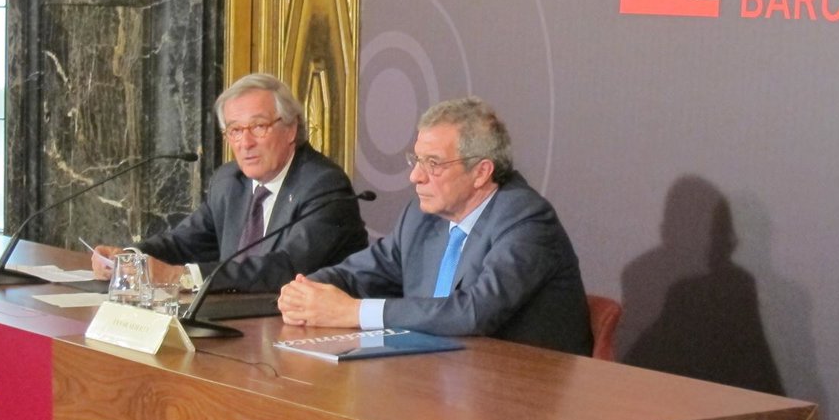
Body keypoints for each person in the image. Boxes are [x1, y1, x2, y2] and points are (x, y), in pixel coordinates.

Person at [278, 96, 592, 354]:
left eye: (433, 163)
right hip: (435, 377)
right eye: (417, 160)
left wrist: (354, 312)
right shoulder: (421, 216)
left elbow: (474, 312)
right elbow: (359, 273)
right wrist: (306, 292)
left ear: (481, 172)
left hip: (521, 388)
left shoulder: (526, 220)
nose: (415, 176)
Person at [92, 73, 368, 293]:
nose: (245, 143)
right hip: (238, 319)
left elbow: (285, 268)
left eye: (258, 127)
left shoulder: (324, 186)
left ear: (291, 129)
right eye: (235, 130)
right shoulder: (230, 181)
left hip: (306, 330)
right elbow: (183, 243)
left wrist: (183, 276)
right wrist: (129, 259)